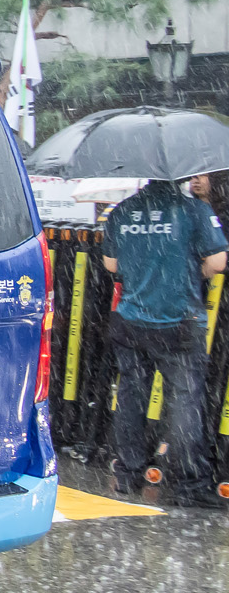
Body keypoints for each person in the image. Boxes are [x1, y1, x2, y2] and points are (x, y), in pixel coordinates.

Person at [100, 172, 227, 497]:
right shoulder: (193, 210)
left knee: (131, 397)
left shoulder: (121, 211)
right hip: (179, 323)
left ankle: (128, 473)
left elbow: (111, 265)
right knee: (185, 401)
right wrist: (188, 271)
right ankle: (188, 484)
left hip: (131, 321)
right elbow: (217, 260)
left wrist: (141, 267)